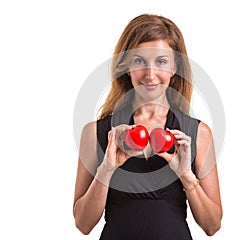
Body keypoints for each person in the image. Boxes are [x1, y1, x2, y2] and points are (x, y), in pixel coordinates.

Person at [73, 14, 222, 239]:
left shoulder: (199, 134)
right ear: (127, 67)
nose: (150, 75)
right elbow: (83, 224)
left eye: (161, 61)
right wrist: (106, 169)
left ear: (175, 67)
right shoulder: (95, 133)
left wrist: (186, 176)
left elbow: (212, 226)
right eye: (140, 61)